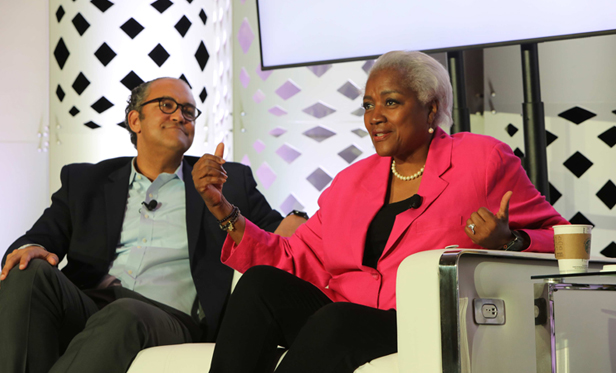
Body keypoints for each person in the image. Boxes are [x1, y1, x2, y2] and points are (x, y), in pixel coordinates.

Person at [192, 51, 569, 373]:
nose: (374, 117)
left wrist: (510, 240)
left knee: (336, 321)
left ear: (430, 107)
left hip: (421, 320)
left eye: (391, 102)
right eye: (368, 106)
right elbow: (293, 257)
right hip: (345, 315)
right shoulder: (351, 182)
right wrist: (226, 212)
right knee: (260, 285)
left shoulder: (481, 160)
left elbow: (566, 241)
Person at [0, 77, 305, 373]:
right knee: (29, 271)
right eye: (167, 105)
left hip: (167, 319)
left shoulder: (227, 181)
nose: (180, 116)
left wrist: (299, 222)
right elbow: (36, 240)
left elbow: (279, 238)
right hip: (90, 305)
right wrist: (31, 250)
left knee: (125, 314)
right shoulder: (85, 181)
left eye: (188, 111)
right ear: (135, 120)